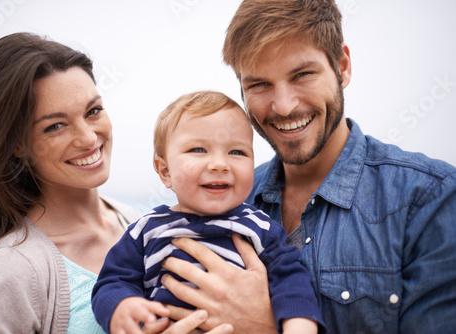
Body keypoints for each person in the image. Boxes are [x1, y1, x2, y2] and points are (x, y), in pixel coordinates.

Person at [153, 0, 456, 333]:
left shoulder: (430, 198)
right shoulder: (222, 197)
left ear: (342, 67)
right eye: (259, 84)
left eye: (302, 75)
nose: (284, 107)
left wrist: (265, 328)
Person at [0, 33, 228, 334]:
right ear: (17, 145)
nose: (88, 138)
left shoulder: (137, 223)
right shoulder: (9, 272)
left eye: (93, 110)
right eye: (55, 126)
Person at [92, 91, 324, 334]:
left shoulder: (261, 228)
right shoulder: (147, 229)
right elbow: (113, 281)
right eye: (199, 150)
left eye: (237, 152)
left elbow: (292, 281)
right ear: (165, 171)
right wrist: (121, 307)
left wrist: (299, 325)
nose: (219, 164)